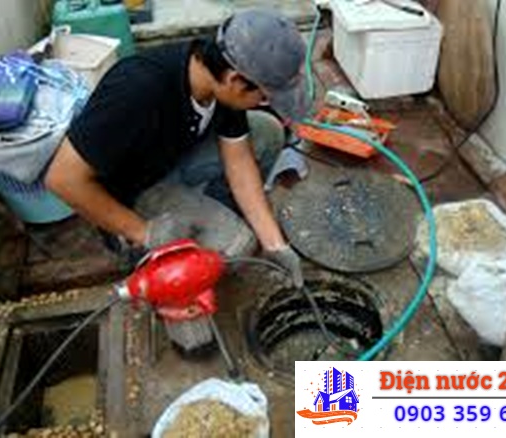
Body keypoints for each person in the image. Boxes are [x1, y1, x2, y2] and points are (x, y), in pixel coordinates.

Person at [44, 8, 309, 287]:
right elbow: (61, 179)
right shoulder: (136, 89)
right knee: (237, 246)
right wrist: (146, 233)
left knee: (267, 131)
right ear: (234, 80)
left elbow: (239, 161)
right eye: (264, 97)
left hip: (170, 158)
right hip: (132, 191)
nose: (263, 103)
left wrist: (275, 245)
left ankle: (208, 215)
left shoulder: (217, 74)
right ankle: (134, 246)